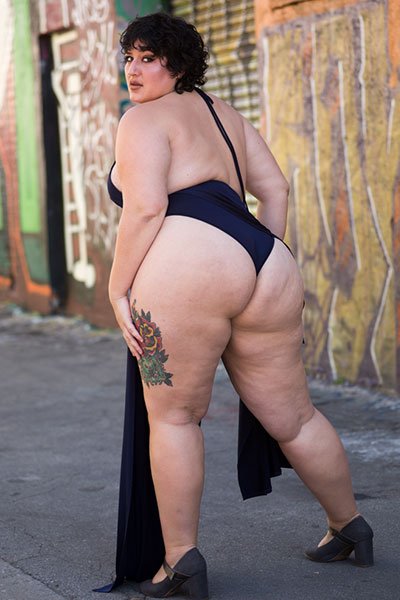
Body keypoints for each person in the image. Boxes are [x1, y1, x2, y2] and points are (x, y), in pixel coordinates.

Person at [103, 11, 373, 599]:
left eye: (149, 58)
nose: (134, 70)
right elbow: (274, 189)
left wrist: (117, 288)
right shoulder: (225, 114)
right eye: (129, 57)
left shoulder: (141, 120)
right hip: (268, 261)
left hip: (189, 270)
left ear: (179, 64)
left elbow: (146, 208)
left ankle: (181, 561)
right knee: (295, 417)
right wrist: (260, 262)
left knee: (175, 418)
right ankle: (349, 524)